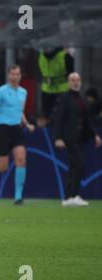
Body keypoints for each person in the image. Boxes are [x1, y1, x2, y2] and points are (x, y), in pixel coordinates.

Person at [0, 65, 35, 205]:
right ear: (8, 75)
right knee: (2, 167)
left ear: (20, 75)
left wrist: (26, 123)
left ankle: (18, 197)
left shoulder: (23, 92)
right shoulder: (1, 91)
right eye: (13, 74)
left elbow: (18, 110)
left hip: (16, 129)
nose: (15, 77)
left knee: (21, 159)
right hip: (2, 130)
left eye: (18, 74)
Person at [54, 73, 102, 207]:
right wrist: (58, 137)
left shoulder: (81, 99)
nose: (76, 83)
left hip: (79, 138)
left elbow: (87, 121)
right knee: (80, 164)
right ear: (68, 83)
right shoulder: (65, 98)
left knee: (74, 167)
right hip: (69, 138)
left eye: (77, 80)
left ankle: (69, 197)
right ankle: (73, 195)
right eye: (73, 80)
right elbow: (59, 118)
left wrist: (94, 135)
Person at [38, 47, 74, 125]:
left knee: (62, 116)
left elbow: (71, 73)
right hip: (46, 89)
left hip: (62, 90)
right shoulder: (41, 55)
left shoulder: (64, 56)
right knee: (45, 117)